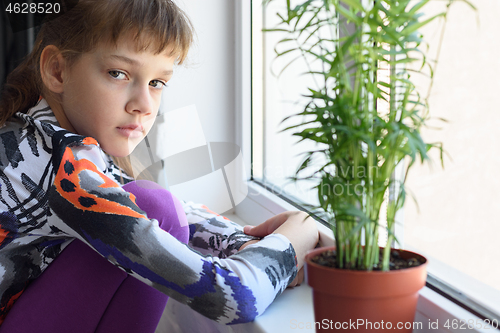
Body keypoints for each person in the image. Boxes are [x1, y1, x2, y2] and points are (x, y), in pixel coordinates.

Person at [0, 0, 319, 332]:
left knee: (152, 205)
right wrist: (301, 232)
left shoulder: (33, 138)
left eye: (157, 83)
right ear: (57, 70)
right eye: (118, 73)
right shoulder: (60, 162)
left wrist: (240, 241)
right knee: (155, 207)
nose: (143, 105)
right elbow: (235, 298)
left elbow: (132, 209)